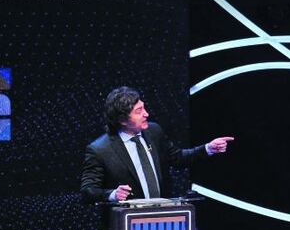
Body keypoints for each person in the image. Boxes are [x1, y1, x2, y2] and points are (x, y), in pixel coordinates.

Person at [80, 87, 233, 203]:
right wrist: (112, 194)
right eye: (139, 111)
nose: (146, 114)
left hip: (161, 218)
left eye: (143, 107)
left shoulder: (154, 131)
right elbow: (88, 191)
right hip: (125, 227)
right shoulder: (100, 150)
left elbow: (177, 158)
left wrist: (207, 148)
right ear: (122, 120)